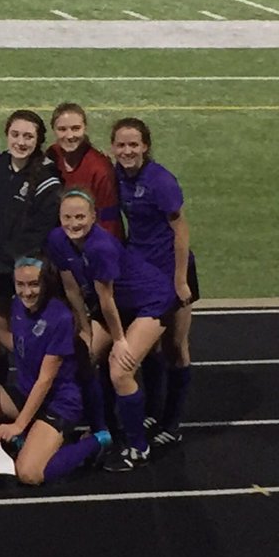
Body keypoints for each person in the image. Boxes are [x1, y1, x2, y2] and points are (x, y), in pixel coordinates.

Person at [46, 189, 178, 471]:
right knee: (82, 359)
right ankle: (102, 429)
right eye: (67, 217)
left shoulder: (100, 247)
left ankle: (138, 447)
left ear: (94, 217)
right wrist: (84, 330)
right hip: (120, 305)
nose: (74, 223)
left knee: (120, 369)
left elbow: (106, 300)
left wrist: (118, 340)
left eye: (81, 216)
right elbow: (71, 289)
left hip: (150, 300)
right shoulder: (58, 240)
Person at [0, 258, 111, 485]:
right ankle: (32, 437)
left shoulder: (60, 318)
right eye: (20, 284)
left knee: (30, 474)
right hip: (28, 393)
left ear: (46, 283)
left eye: (33, 284)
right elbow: (19, 346)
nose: (26, 292)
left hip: (58, 403)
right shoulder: (18, 306)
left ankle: (98, 440)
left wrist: (19, 425)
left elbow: (45, 379)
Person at [112, 118, 197, 446]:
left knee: (176, 346)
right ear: (113, 147)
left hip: (171, 272)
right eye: (121, 145)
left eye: (134, 145)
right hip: (139, 272)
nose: (127, 151)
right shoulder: (117, 175)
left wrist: (180, 280)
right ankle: (151, 408)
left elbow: (181, 230)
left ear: (145, 146)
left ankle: (173, 421)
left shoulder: (160, 181)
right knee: (149, 348)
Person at [0, 110, 61, 383]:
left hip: (25, 278)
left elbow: (35, 238)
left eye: (28, 137)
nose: (21, 142)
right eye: (15, 135)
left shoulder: (47, 180)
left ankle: (34, 409)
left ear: (38, 140)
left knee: (24, 344)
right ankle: (0, 408)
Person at [46, 103, 122, 239]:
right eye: (62, 129)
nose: (69, 136)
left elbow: (110, 221)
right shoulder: (52, 155)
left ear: (85, 128)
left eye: (76, 128)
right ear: (53, 130)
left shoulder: (100, 169)